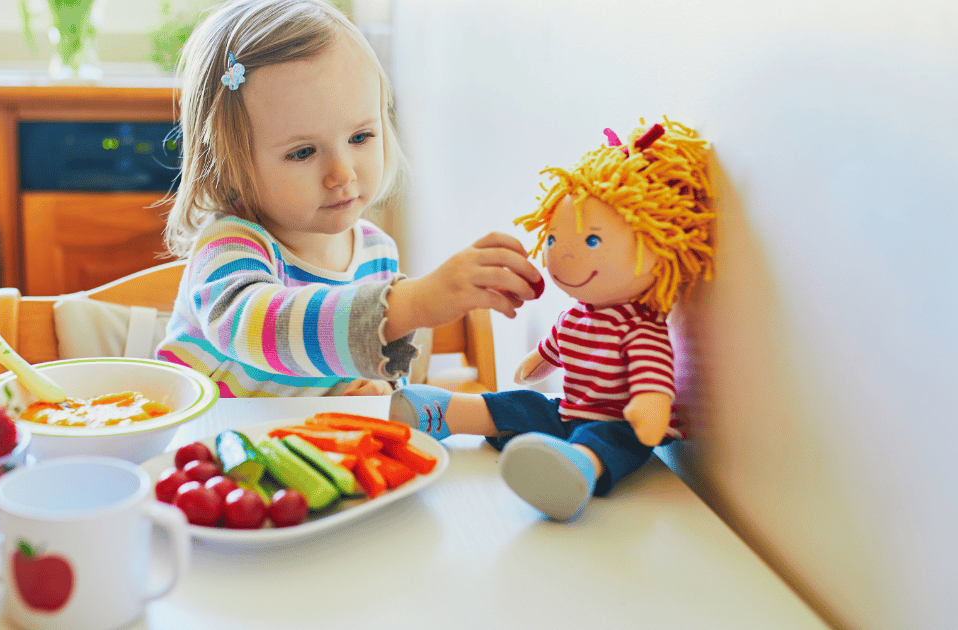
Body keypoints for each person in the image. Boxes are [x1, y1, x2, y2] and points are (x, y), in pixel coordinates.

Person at [157, 0, 541, 398]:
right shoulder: (229, 247)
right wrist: (410, 303)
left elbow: (375, 354)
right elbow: (259, 329)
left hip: (308, 449)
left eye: (360, 137)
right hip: (206, 450)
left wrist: (379, 385)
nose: (342, 174)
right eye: (303, 152)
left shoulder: (376, 251)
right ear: (230, 164)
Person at [391, 119, 714, 521]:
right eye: (555, 239)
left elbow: (652, 383)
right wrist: (535, 363)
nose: (562, 255)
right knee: (525, 403)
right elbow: (555, 348)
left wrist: (650, 409)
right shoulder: (575, 316)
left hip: (616, 423)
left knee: (605, 440)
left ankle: (574, 470)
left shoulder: (640, 329)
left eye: (592, 240)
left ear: (656, 245)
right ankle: (445, 412)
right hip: (566, 410)